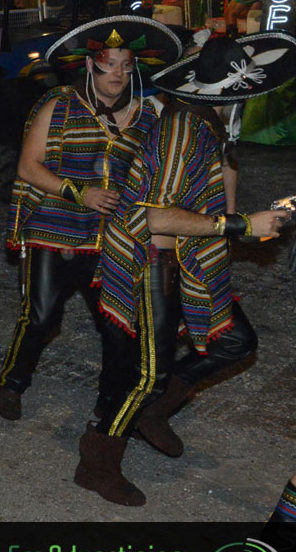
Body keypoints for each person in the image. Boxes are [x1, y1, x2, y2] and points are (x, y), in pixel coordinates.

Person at [81, 33, 295, 506]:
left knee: (236, 341)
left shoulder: (209, 121)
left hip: (187, 258)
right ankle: (95, 463)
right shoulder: (184, 129)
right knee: (147, 375)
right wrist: (240, 224)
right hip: (148, 260)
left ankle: (152, 413)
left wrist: (242, 222)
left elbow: (219, 188)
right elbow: (155, 218)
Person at [0, 18, 181, 421]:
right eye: (109, 63)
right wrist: (79, 192)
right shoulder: (59, 105)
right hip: (55, 227)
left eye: (126, 65)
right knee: (42, 315)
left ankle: (109, 402)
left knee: (117, 324)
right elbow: (28, 167)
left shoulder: (146, 117)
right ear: (89, 65)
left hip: (112, 239)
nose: (117, 73)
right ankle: (13, 383)